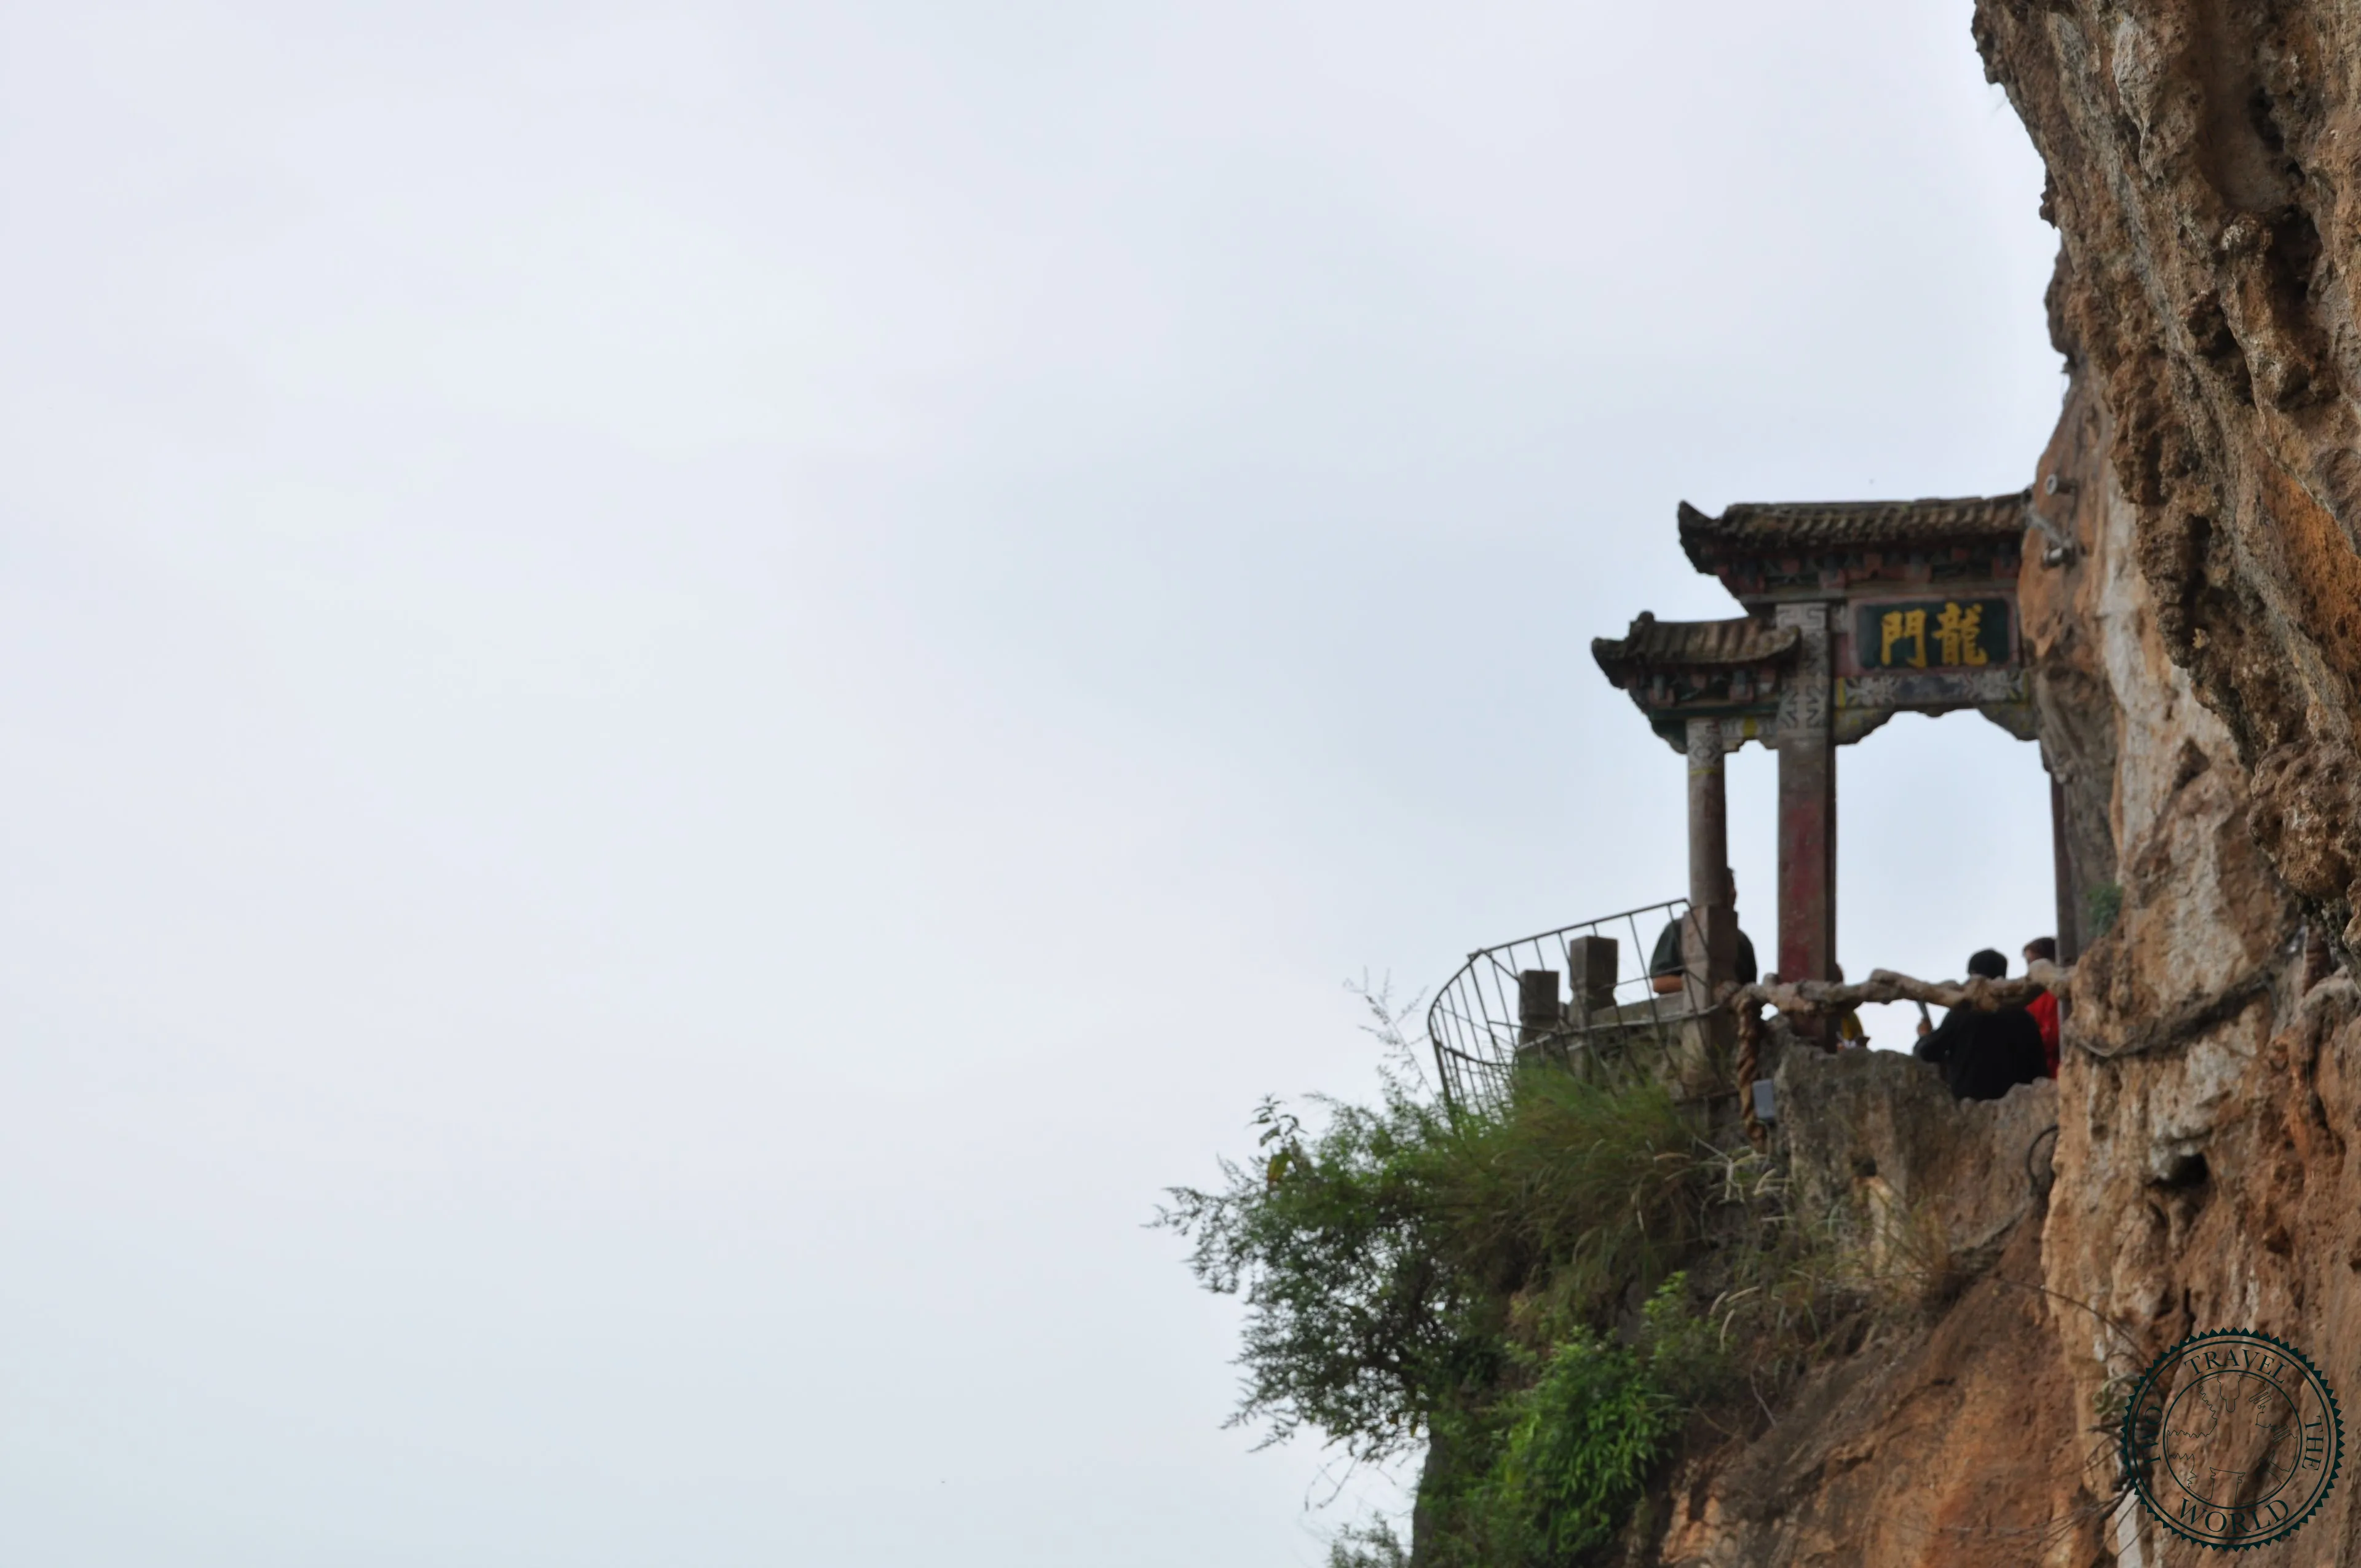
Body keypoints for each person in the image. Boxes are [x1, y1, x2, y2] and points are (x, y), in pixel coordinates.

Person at [1913, 949, 2047, 1100]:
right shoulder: (2024, 1017)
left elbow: (1928, 1053)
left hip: (1973, 1108)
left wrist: (1924, 1036)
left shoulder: (1963, 1012)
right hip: (2019, 1107)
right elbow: (2040, 1069)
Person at [1648, 868, 1757, 993]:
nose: (1733, 892)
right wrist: (1708, 987)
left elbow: (1750, 995)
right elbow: (1660, 983)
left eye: (1733, 886)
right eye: (1727, 886)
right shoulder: (1679, 929)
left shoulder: (1742, 941)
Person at [2022, 935, 2060, 1078]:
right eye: (2028, 963)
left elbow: (2053, 1036)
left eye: (2034, 962)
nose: (2031, 969)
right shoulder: (2029, 998)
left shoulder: (2057, 991)